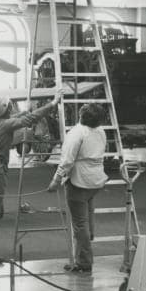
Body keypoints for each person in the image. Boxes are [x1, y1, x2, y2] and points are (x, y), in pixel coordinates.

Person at [0, 88, 63, 266]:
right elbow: (30, 119)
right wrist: (52, 103)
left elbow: (18, 117)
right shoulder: (6, 124)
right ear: (6, 109)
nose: (11, 108)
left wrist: (25, 111)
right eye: (10, 106)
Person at [49, 102, 108, 273]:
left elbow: (67, 160)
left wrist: (56, 180)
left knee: (80, 224)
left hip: (79, 180)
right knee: (87, 217)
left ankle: (84, 261)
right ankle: (86, 246)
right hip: (96, 179)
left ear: (81, 115)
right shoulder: (101, 131)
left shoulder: (76, 133)